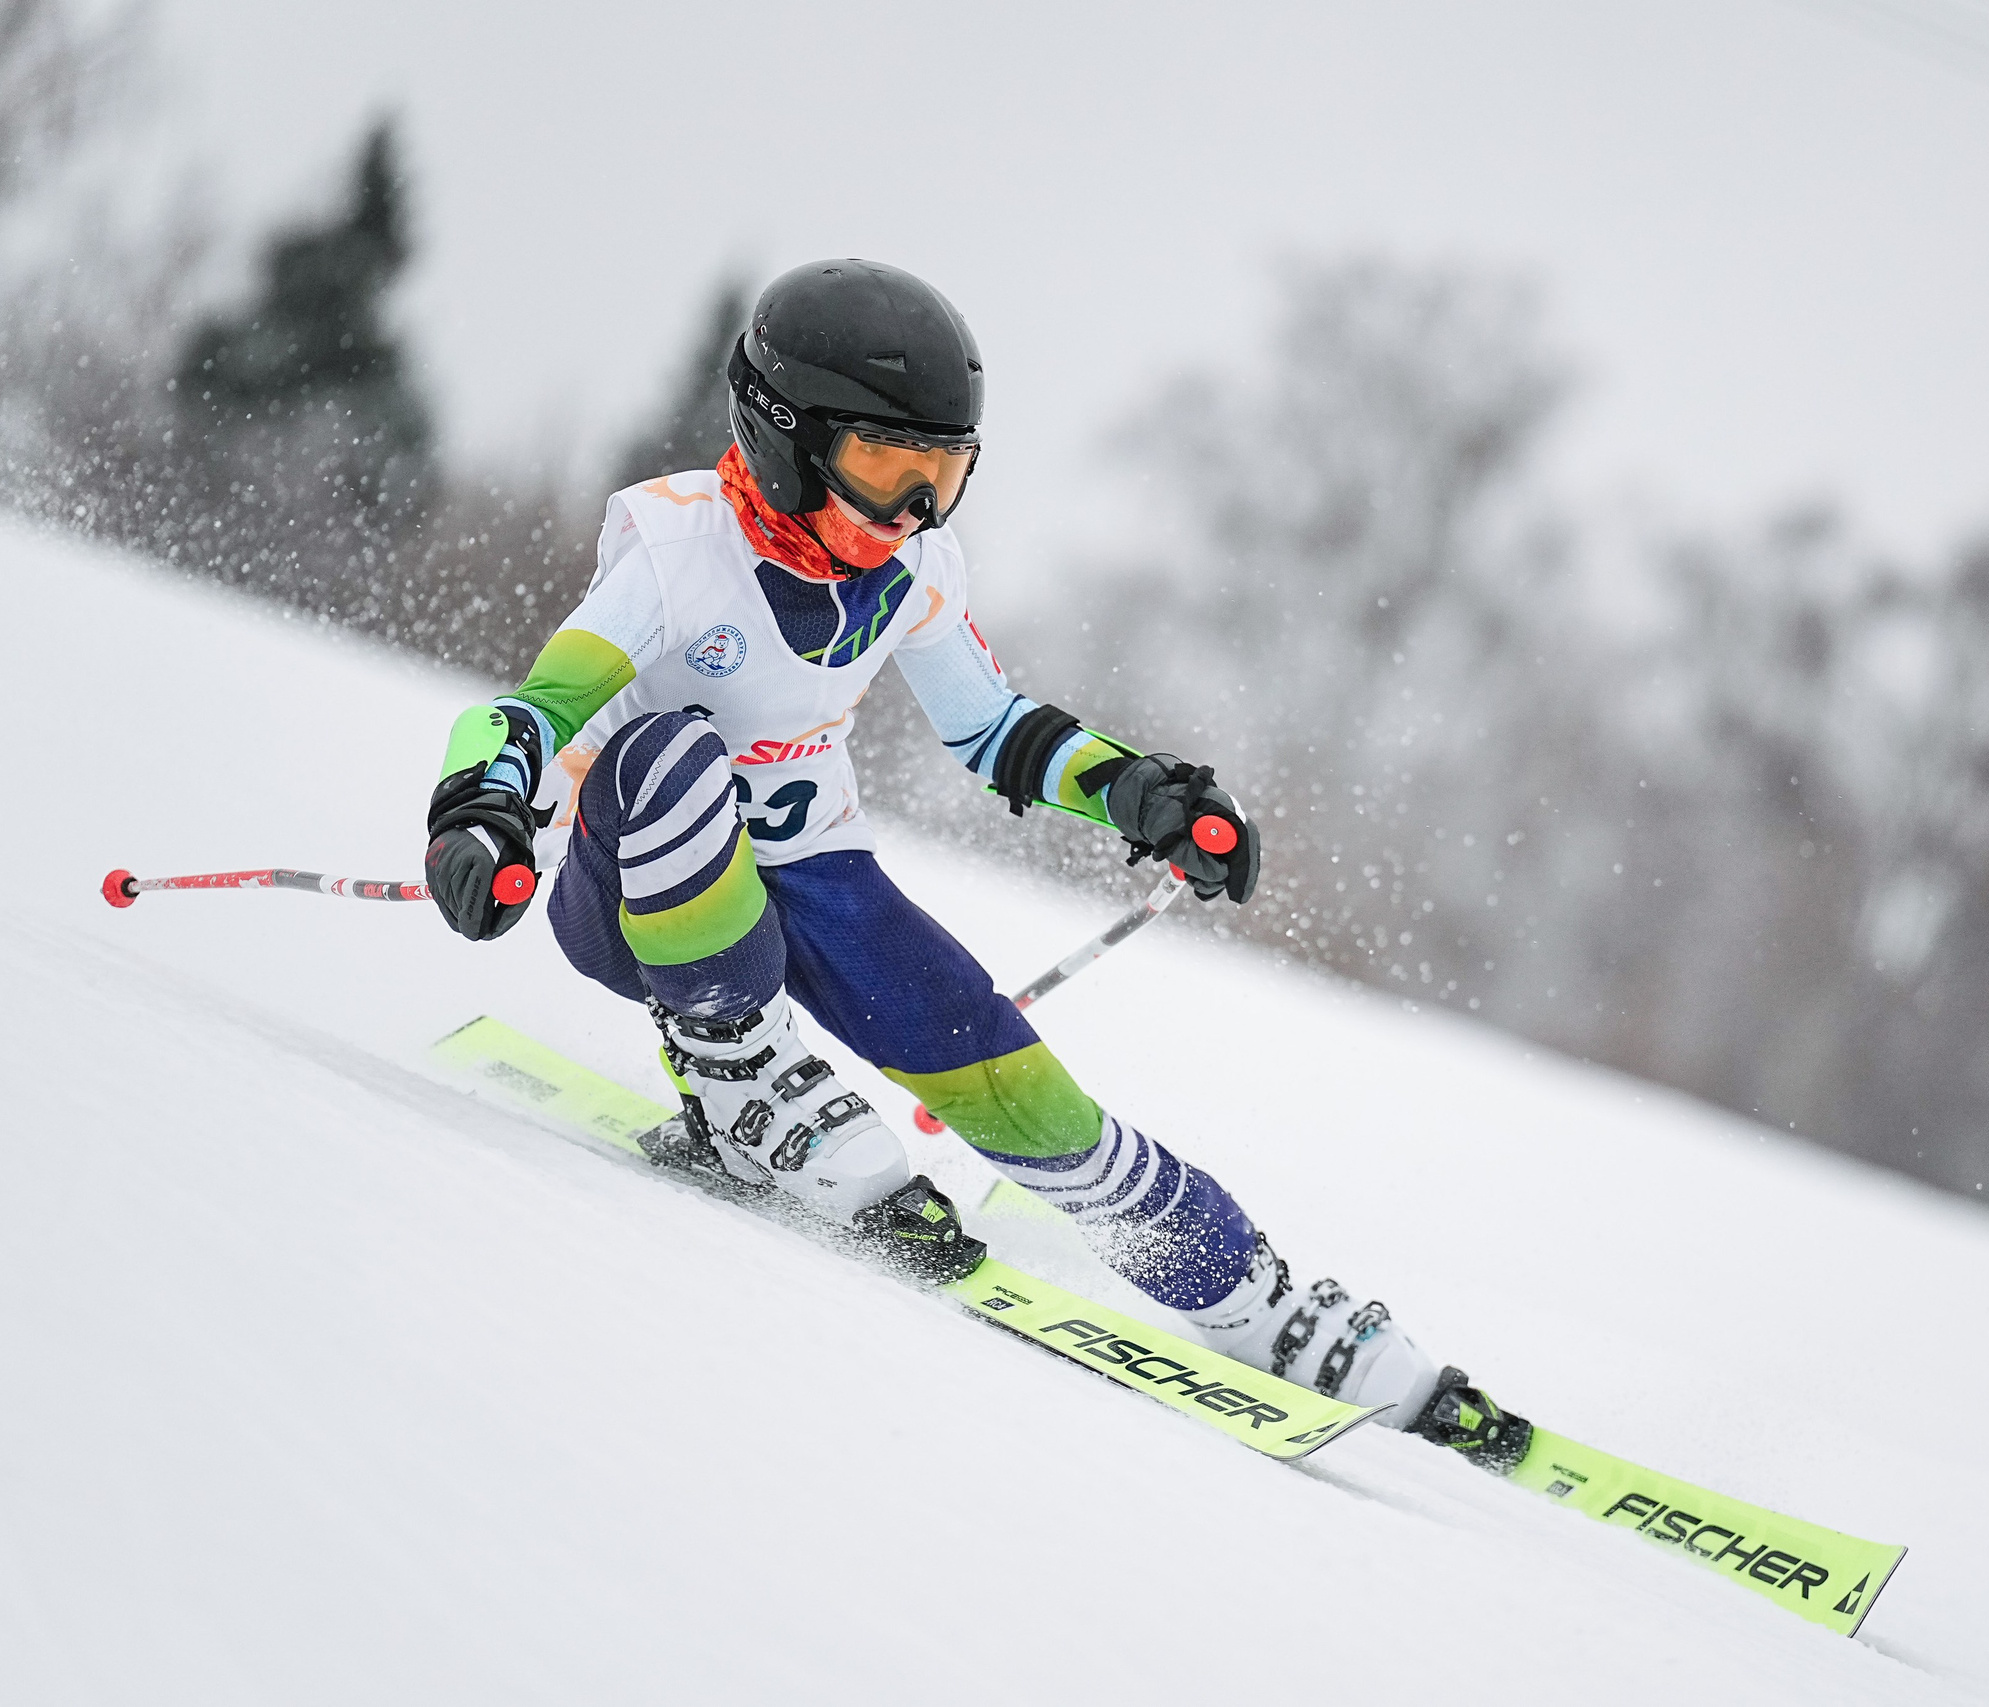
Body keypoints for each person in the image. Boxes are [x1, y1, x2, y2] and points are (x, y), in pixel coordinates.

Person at [422, 258, 1513, 1453]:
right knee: (672, 755)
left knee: (1012, 1082)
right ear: (785, 438)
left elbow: (995, 729)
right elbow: (535, 708)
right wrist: (480, 810)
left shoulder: (909, 576)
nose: (908, 517)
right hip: (640, 891)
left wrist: (1139, 795)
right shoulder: (679, 550)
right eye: (886, 473)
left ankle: (1254, 1302)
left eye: (941, 480)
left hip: (811, 880)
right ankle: (736, 1079)